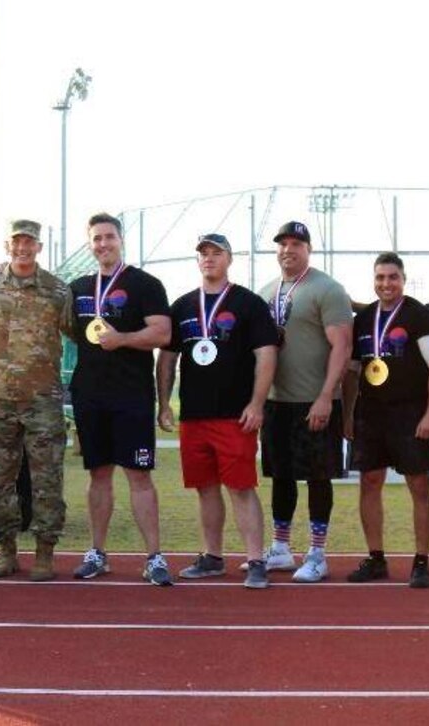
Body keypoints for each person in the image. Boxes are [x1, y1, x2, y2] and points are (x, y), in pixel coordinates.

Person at [157, 233, 279, 589]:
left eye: (216, 253)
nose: (209, 258)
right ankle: (212, 556)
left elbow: (266, 354)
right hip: (194, 415)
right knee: (205, 488)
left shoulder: (248, 304)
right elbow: (167, 358)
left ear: (229, 258)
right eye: (203, 254)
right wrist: (164, 403)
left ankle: (256, 560)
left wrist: (257, 403)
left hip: (234, 415)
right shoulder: (182, 306)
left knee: (241, 487)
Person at [68, 213, 173, 586]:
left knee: (139, 475)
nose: (103, 244)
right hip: (90, 396)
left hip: (131, 397)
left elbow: (162, 333)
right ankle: (97, 552)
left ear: (120, 240)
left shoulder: (145, 284)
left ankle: (155, 557)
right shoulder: (77, 287)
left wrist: (123, 339)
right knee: (98, 475)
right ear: (90, 243)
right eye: (96, 239)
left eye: (109, 237)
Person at [0, 219, 73, 582]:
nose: (23, 248)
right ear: (7, 246)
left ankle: (45, 551)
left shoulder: (58, 291)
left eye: (30, 243)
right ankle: (6, 549)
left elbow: (83, 332)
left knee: (47, 478)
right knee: (0, 480)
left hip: (43, 399)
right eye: (17, 242)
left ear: (39, 247)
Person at [342, 252, 429, 588]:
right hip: (370, 413)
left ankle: (421, 561)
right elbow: (352, 371)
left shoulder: (420, 315)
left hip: (410, 412)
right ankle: (376, 559)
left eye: (392, 277)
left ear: (403, 279)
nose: (386, 283)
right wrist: (347, 415)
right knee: (369, 483)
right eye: (380, 278)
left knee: (419, 486)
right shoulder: (363, 319)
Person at [256, 221, 352, 583]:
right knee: (280, 476)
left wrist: (327, 396)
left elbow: (342, 346)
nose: (288, 250)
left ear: (308, 249)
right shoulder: (266, 291)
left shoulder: (327, 289)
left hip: (316, 400)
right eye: (282, 244)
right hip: (278, 402)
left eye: (296, 243)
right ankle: (281, 548)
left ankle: (317, 553)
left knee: (317, 478)